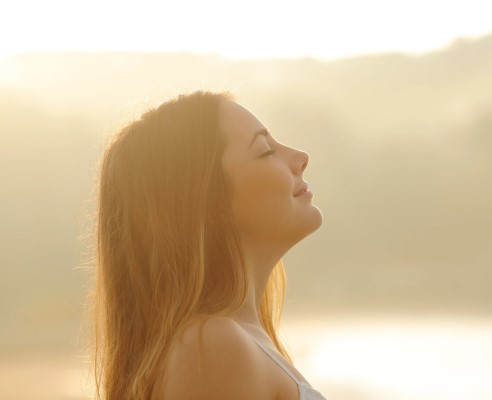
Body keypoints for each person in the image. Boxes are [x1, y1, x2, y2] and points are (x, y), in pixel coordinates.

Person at [89, 90, 327, 400]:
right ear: (210, 203)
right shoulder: (213, 347)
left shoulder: (238, 342)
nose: (300, 157)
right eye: (266, 150)